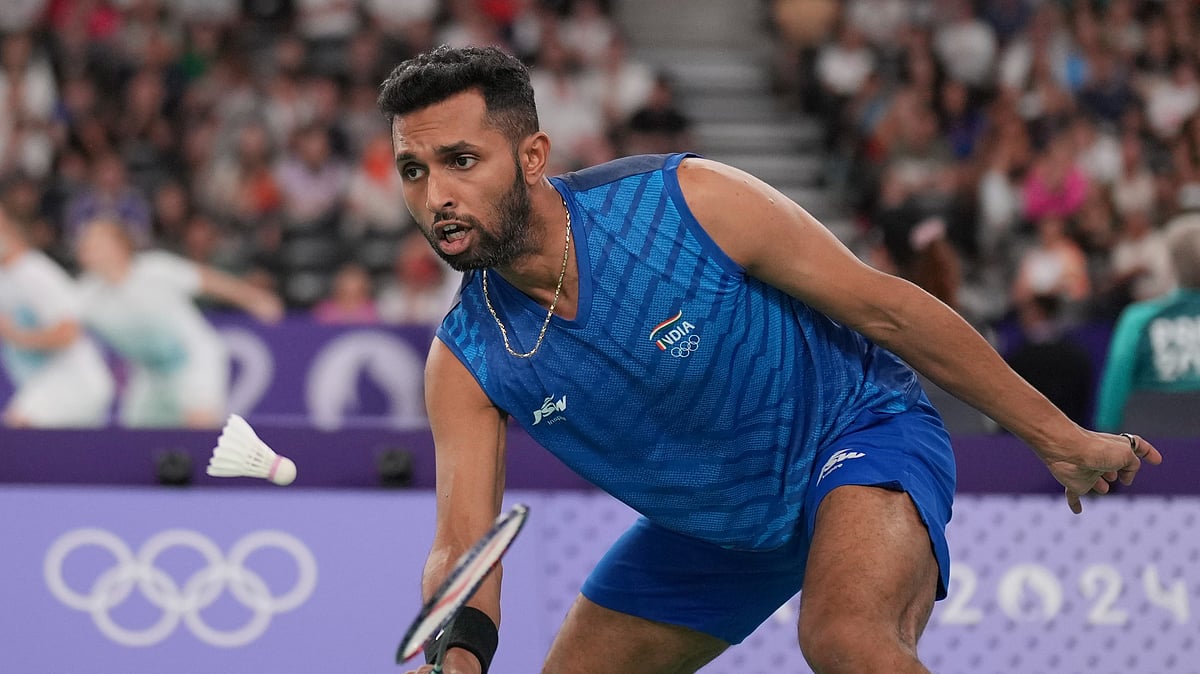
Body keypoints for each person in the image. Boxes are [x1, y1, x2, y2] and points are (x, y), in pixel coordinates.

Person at [381, 46, 1162, 674]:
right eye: (414, 171)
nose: (436, 194)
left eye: (460, 160)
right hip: (712, 529)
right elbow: (462, 544)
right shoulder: (467, 359)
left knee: (845, 641)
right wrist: (454, 658)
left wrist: (1061, 439)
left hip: (854, 435)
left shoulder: (686, 202)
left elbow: (886, 307)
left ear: (531, 155)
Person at [74, 218, 284, 429]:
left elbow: (207, 281)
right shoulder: (86, 294)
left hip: (195, 360)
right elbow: (63, 324)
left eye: (95, 241)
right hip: (150, 374)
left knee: (199, 432)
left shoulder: (156, 269)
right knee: (135, 442)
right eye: (86, 242)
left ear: (119, 246)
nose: (86, 247)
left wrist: (255, 299)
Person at [0, 205, 114, 427]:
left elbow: (68, 333)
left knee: (16, 430)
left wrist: (16, 336)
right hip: (46, 385)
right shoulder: (5, 278)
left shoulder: (36, 273)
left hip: (76, 384)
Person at [1095, 213, 1200, 432]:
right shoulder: (1138, 319)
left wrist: (1107, 436)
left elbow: (1114, 397)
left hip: (1157, 445)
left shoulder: (1138, 319)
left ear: (1171, 264)